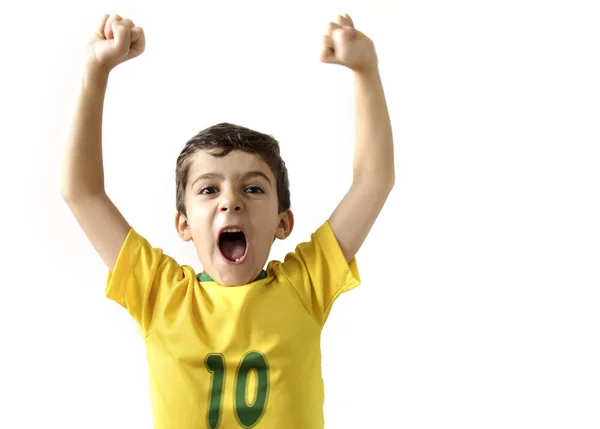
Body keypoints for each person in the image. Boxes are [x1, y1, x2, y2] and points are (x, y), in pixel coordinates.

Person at [61, 11, 394, 429]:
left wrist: (365, 70)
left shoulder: (306, 286)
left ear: (282, 222)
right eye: (208, 189)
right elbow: (82, 192)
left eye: (253, 188)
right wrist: (95, 71)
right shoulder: (159, 295)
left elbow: (373, 182)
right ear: (183, 224)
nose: (230, 202)